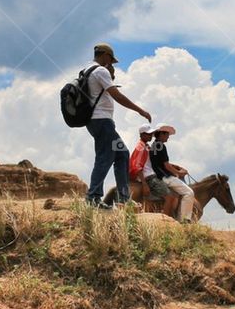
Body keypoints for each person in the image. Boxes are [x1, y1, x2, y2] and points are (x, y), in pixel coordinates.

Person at [84, 42, 151, 209]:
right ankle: (93, 198)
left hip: (96, 121)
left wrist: (111, 77)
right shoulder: (100, 71)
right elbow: (117, 96)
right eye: (110, 60)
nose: (110, 64)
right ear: (106, 56)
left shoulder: (87, 70)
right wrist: (140, 110)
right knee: (104, 157)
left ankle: (123, 198)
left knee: (122, 154)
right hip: (102, 121)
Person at [129, 124, 179, 217]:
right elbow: (137, 166)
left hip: (150, 175)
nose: (151, 136)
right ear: (142, 134)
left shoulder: (146, 146)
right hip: (149, 177)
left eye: (151, 133)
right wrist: (144, 184)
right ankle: (164, 220)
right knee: (170, 197)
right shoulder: (141, 147)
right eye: (148, 134)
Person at [148, 124, 195, 222]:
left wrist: (176, 167)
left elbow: (161, 162)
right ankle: (184, 220)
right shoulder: (161, 146)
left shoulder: (154, 145)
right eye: (167, 135)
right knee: (189, 193)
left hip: (158, 176)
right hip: (165, 177)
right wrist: (179, 173)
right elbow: (166, 166)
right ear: (162, 134)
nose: (168, 137)